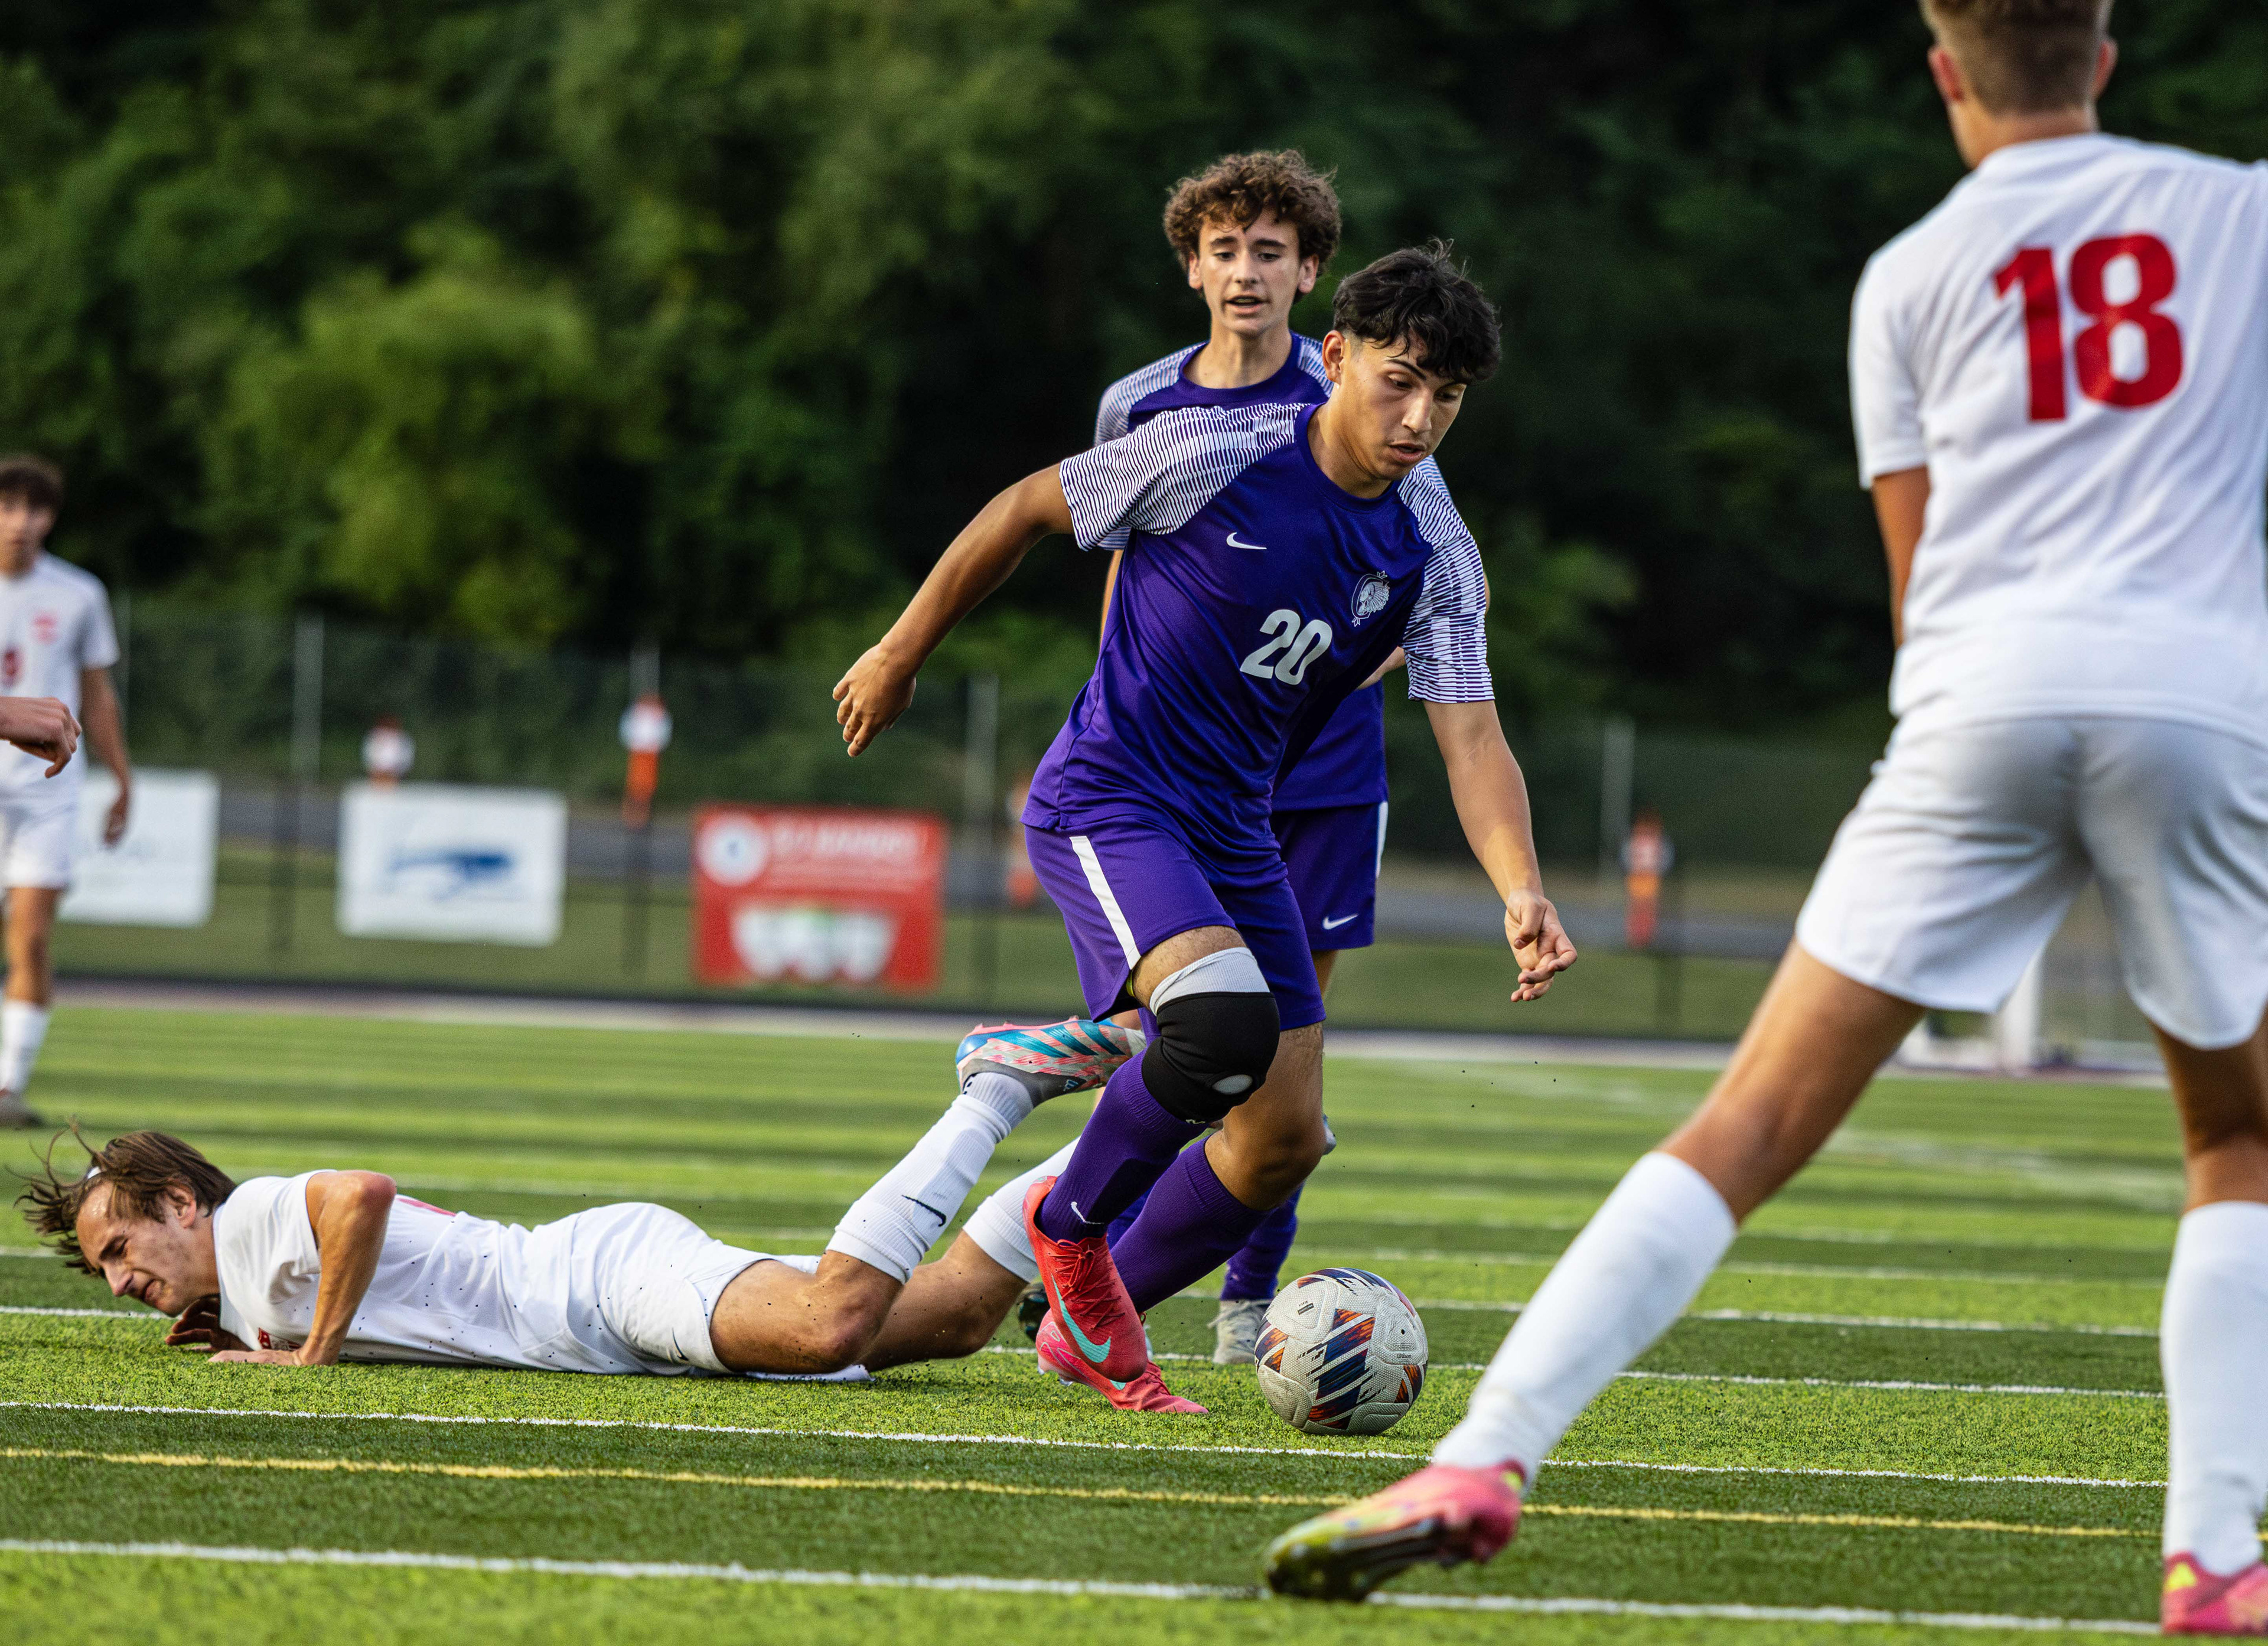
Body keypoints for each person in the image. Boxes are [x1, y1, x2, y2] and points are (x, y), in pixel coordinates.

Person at [1262, 3, 2268, 1630]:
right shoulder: (2237, 213)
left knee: (1743, 1127)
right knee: (2234, 1139)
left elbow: (1917, 588)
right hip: (2199, 704)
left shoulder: (1907, 276)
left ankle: (1481, 1459)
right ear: (2105, 54)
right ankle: (2213, 1558)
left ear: (1942, 72)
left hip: (1981, 697)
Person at [835, 245, 1577, 1414]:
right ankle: (1070, 1229)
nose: (1419, 418)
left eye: (1447, 396)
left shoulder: (1434, 548)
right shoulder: (1210, 450)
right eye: (1399, 381)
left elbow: (1473, 733)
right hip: (1109, 796)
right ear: (1336, 357)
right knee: (1222, 1026)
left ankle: (1081, 1322)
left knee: (1284, 1138)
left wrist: (1521, 888)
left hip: (1236, 825)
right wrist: (898, 651)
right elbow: (1024, 508)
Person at [17, 1019, 1143, 1379]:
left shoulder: (255, 1213)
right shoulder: (248, 1287)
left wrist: (309, 1352)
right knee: (954, 1316)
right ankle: (1136, 1122)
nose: (117, 1281)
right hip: (594, 1310)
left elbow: (360, 1194)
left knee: (829, 1323)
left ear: (181, 1201)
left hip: (596, 1281)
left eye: (119, 1246)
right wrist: (254, 1333)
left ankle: (996, 1086)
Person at [1077, 151, 1390, 1367]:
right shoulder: (1140, 404)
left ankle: (1248, 1303)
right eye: (1226, 249)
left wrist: (1304, 670)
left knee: (1287, 1064)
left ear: (1311, 273)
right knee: (1195, 1031)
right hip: (1171, 770)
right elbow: (1124, 568)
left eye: (1271, 250)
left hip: (1323, 776)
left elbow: (1401, 576)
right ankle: (1091, 1261)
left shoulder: (1360, 391)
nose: (1247, 271)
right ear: (1192, 268)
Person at [0, 455, 131, 1129]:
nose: (21, 521)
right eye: (9, 505)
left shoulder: (78, 594)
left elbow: (97, 696)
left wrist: (123, 778)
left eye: (36, 508)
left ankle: (7, 1087)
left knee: (30, 939)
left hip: (45, 790)